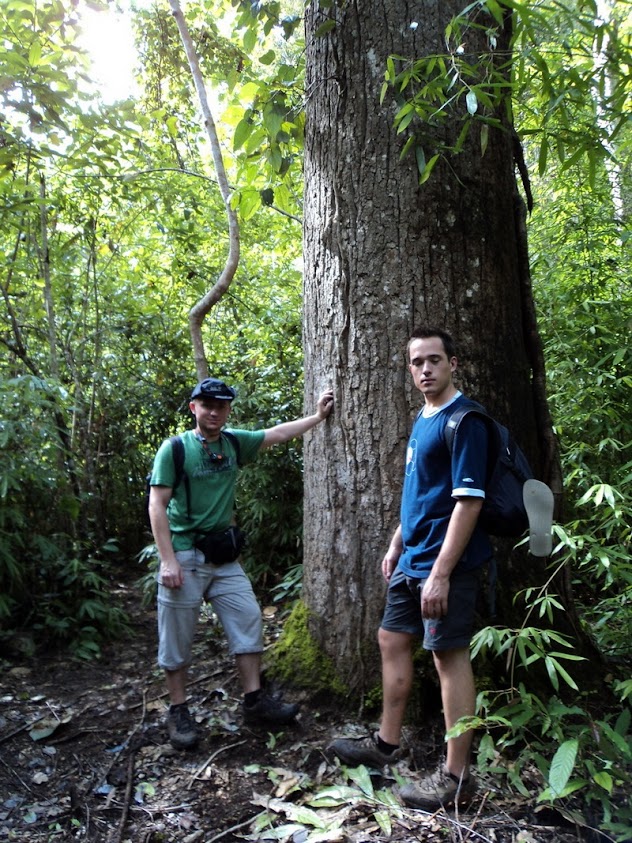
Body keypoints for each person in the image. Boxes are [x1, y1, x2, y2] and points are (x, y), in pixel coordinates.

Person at [328, 326, 492, 810]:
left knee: (447, 655)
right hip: (412, 557)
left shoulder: (466, 421)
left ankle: (457, 776)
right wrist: (398, 542)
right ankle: (385, 745)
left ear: (453, 363)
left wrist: (441, 571)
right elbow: (417, 491)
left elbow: (468, 502)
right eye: (417, 362)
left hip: (449, 563)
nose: (425, 369)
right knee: (392, 639)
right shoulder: (423, 418)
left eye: (434, 360)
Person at [149, 377, 334, 750]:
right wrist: (168, 561)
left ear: (228, 409)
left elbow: (277, 434)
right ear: (194, 408)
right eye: (207, 405)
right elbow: (157, 504)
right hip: (185, 554)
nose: (214, 411)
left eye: (221, 406)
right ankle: (178, 710)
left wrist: (316, 417)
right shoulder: (175, 449)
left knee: (248, 616)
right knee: (177, 635)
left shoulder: (233, 442)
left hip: (224, 557)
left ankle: (254, 701)